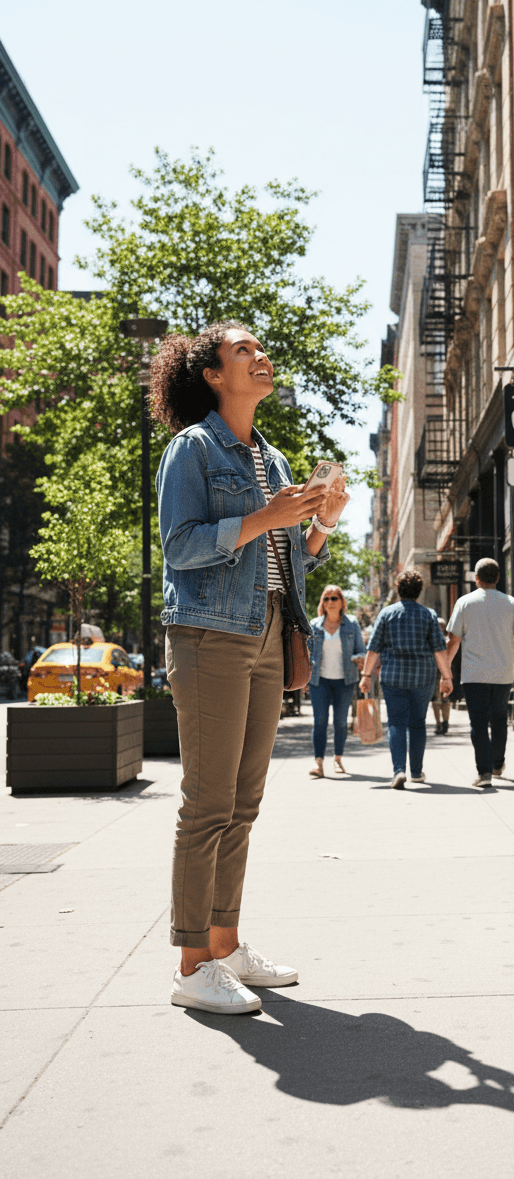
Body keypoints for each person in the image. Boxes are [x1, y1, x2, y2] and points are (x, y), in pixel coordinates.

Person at [153, 321, 349, 1015]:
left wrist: (319, 524)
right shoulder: (194, 450)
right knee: (206, 803)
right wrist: (267, 517)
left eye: (260, 349)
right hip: (209, 634)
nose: (260, 356)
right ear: (212, 374)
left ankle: (226, 945)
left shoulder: (270, 455)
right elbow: (178, 547)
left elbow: (289, 560)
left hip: (268, 633)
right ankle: (189, 964)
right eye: (243, 351)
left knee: (244, 803)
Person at [358, 570, 453, 788]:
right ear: (419, 591)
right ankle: (417, 772)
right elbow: (439, 650)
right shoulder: (428, 615)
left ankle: (399, 771)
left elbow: (374, 648)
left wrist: (366, 675)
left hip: (393, 677)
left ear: (399, 589)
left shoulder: (386, 614)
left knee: (396, 723)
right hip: (423, 677)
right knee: (418, 723)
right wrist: (447, 677)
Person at [445, 558, 514, 788]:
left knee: (478, 724)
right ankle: (497, 764)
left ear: (476, 579)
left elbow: (453, 641)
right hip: (503, 675)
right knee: (499, 720)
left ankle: (484, 773)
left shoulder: (464, 603)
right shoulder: (511, 603)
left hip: (474, 676)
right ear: (497, 578)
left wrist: (445, 673)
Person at [308, 586, 366, 777]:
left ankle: (338, 759)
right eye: (326, 599)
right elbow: (305, 654)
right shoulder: (314, 625)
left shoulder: (352, 624)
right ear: (322, 603)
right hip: (319, 681)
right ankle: (319, 763)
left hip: (345, 681)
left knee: (341, 722)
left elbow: (361, 650)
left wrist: (358, 659)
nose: (330, 602)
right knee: (320, 722)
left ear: (342, 602)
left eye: (334, 598)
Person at [431, 617, 452, 734]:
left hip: (446, 673)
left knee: (446, 699)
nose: (440, 628)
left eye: (442, 625)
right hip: (435, 673)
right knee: (436, 700)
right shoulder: (431, 640)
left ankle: (445, 723)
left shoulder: (449, 640)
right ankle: (438, 723)